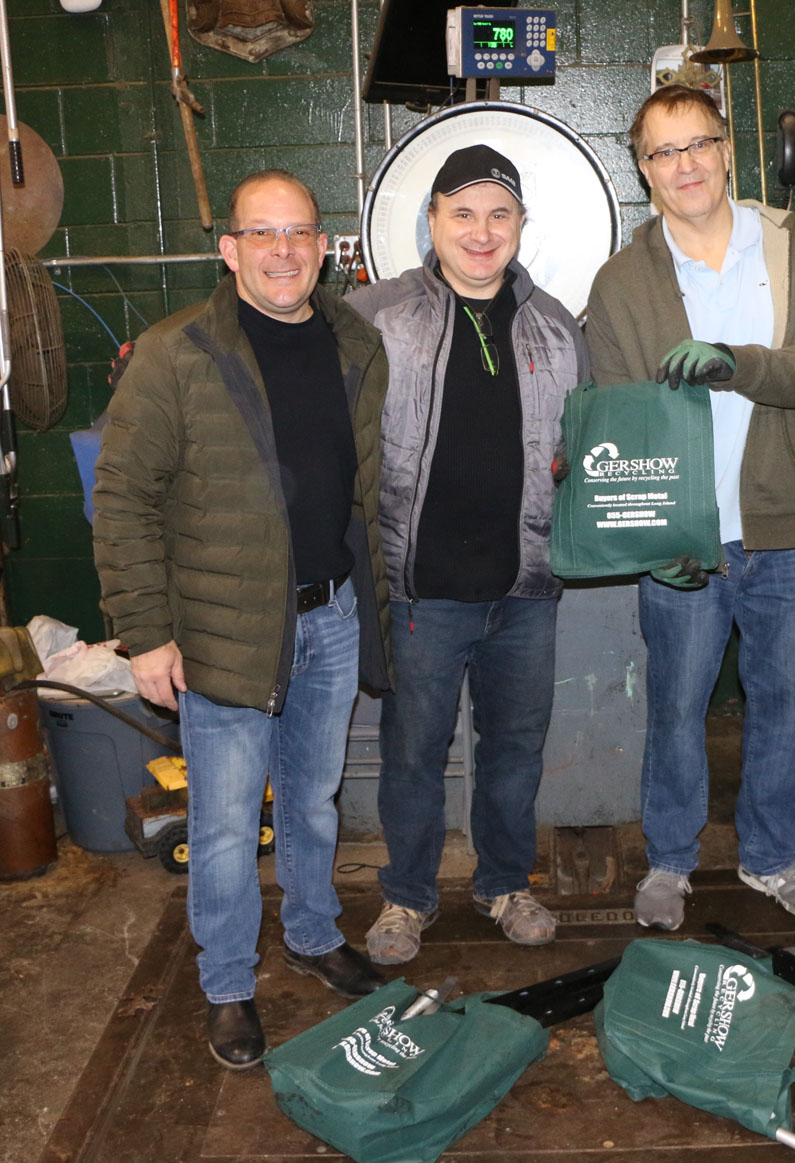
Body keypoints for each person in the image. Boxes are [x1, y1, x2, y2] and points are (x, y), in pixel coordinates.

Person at [92, 170, 392, 1069]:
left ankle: (310, 931)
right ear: (229, 251)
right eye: (262, 234)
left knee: (311, 798)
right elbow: (122, 499)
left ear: (326, 249)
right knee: (224, 824)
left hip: (329, 615)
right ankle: (227, 983)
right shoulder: (175, 351)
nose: (283, 251)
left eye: (299, 232)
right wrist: (146, 632)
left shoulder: (353, 342)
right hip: (221, 628)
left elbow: (365, 484)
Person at [585, 85, 795, 931]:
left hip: (788, 533)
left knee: (784, 705)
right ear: (643, 168)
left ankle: (771, 857)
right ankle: (669, 860)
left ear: (727, 149)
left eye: (697, 144)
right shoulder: (623, 280)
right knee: (676, 706)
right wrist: (654, 532)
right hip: (687, 541)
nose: (684, 165)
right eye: (663, 153)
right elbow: (619, 419)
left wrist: (735, 361)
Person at [346, 145, 589, 963]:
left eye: (498, 214)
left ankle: (503, 883)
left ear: (520, 225)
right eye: (463, 213)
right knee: (414, 753)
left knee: (515, 749)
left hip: (525, 586)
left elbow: (585, 454)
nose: (481, 232)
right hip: (421, 590)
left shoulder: (557, 326)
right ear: (433, 222)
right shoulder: (375, 316)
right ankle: (406, 898)